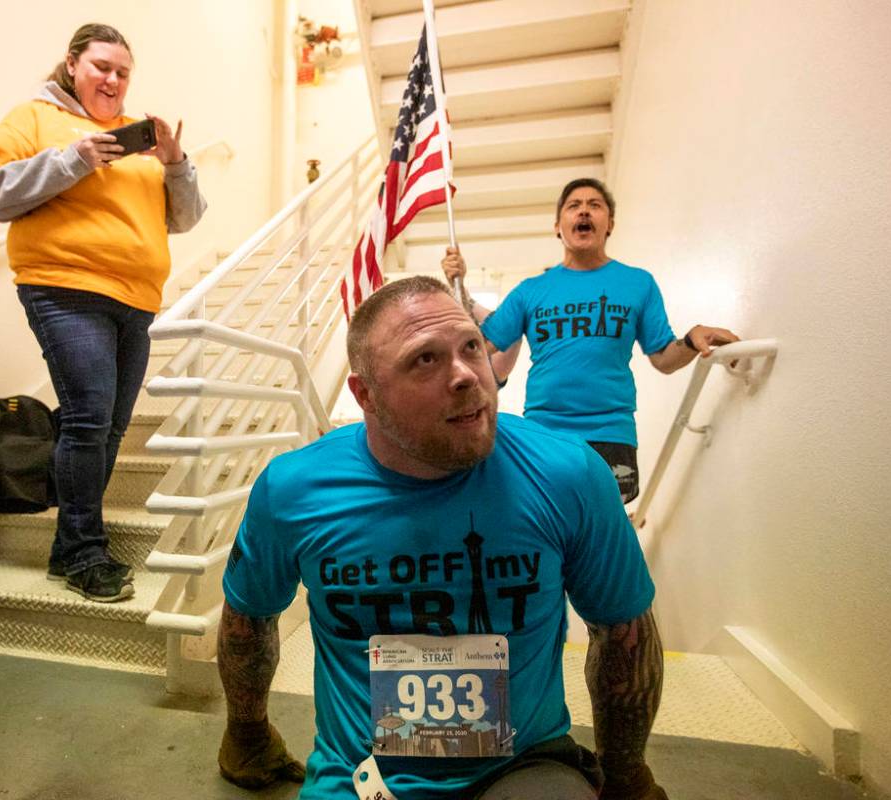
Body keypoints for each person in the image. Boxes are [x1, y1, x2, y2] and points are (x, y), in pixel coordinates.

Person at [217, 276, 668, 799]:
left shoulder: (569, 474)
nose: (466, 376)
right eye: (424, 360)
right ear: (366, 394)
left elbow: (623, 632)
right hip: (363, 778)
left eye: (471, 346)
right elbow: (248, 621)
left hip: (523, 768)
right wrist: (246, 734)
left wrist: (627, 774)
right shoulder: (294, 489)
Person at [0, 23, 206, 602]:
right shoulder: (35, 118)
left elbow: (185, 219)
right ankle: (82, 552)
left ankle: (69, 547)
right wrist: (72, 159)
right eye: (102, 66)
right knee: (89, 418)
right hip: (65, 288)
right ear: (73, 65)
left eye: (123, 72)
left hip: (136, 300)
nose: (113, 79)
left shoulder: (138, 143)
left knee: (112, 426)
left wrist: (174, 162)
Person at [442, 178, 739, 504]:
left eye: (595, 205)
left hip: (611, 434)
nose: (584, 210)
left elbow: (665, 358)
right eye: (574, 206)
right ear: (558, 226)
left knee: (605, 535)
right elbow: (478, 347)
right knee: (549, 529)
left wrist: (692, 341)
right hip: (545, 433)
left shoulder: (637, 284)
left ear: (609, 223)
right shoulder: (530, 290)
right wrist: (458, 288)